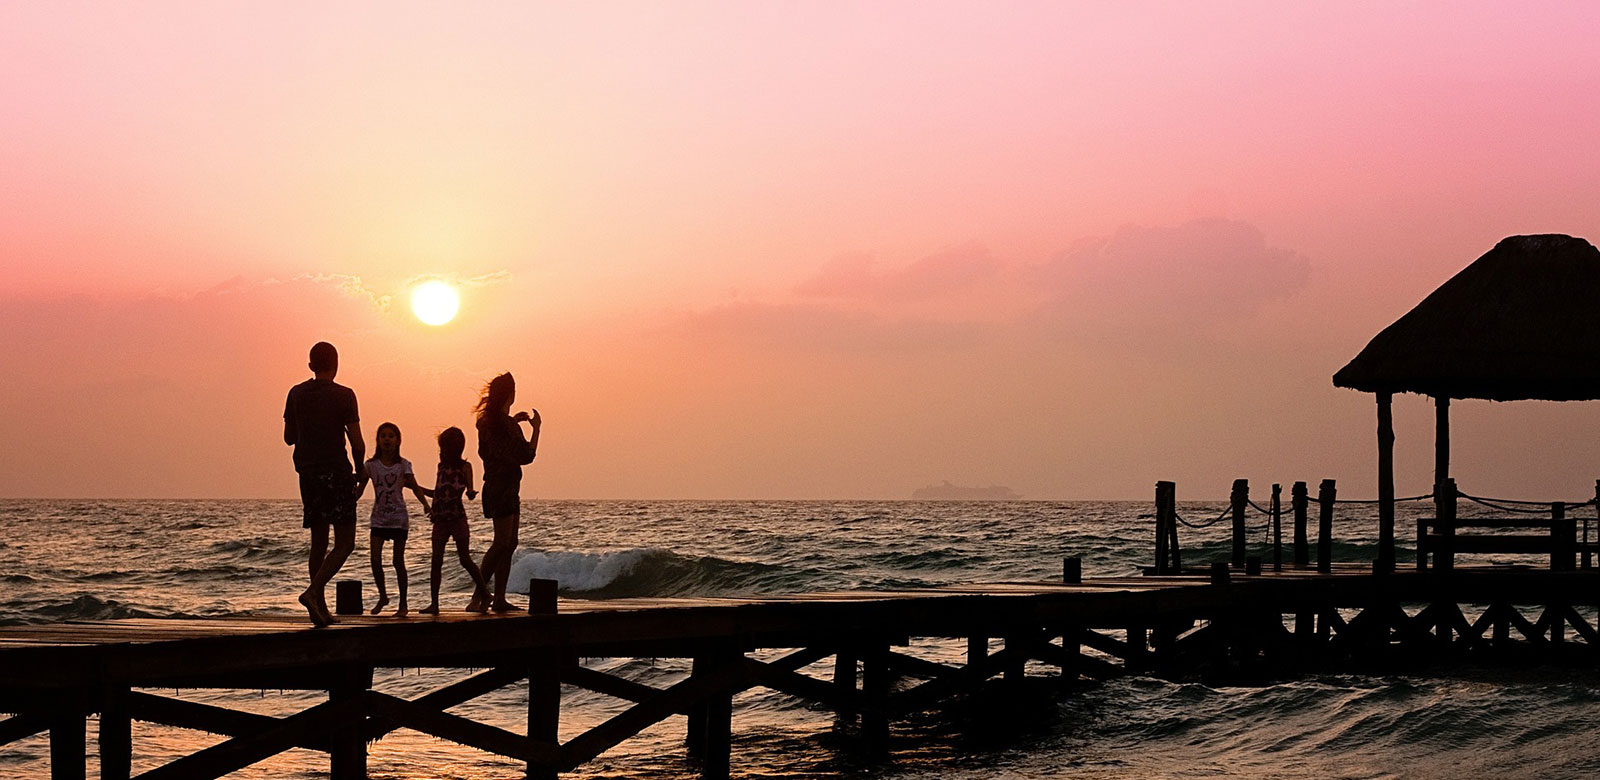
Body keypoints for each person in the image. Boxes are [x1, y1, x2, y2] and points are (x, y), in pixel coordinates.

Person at [283, 342, 364, 627]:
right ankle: (314, 592)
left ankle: (320, 608)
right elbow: (357, 442)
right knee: (345, 543)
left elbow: (289, 437)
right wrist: (361, 471)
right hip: (337, 473)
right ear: (336, 363)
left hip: (308, 474)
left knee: (318, 541)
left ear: (310, 365)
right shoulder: (345, 396)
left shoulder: (295, 394)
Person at [472, 372, 540, 612]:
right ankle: (479, 596)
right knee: (502, 543)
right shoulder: (506, 425)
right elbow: (527, 456)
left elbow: (496, 444)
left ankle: (498, 598)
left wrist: (514, 421)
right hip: (505, 487)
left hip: (495, 486)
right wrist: (536, 429)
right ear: (509, 394)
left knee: (509, 543)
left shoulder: (486, 423)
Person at [356, 422, 431, 617]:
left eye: (391, 436)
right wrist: (348, 501)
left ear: (398, 440)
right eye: (383, 436)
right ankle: (383, 596)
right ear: (378, 440)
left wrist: (426, 505)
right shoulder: (370, 466)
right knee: (374, 559)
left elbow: (414, 487)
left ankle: (403, 605)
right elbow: (359, 489)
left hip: (398, 518)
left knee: (398, 561)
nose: (387, 439)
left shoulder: (403, 465)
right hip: (379, 519)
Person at [419, 427, 490, 615]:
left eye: (445, 447)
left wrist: (471, 492)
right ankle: (434, 603)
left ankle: (484, 593)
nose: (442, 451)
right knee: (436, 561)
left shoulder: (465, 467)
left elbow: (469, 490)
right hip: (440, 519)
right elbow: (438, 494)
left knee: (465, 559)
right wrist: (416, 488)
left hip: (457, 518)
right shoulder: (441, 467)